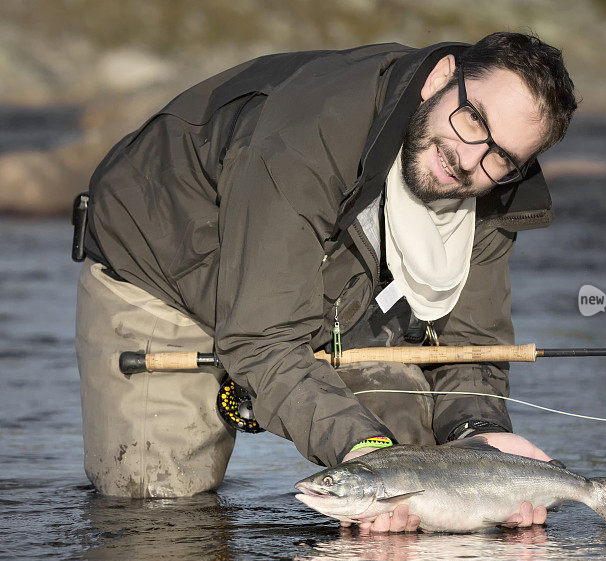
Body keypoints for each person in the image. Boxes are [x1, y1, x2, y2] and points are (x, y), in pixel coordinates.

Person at [74, 31, 577, 532]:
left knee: (427, 482)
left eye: (502, 157)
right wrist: (367, 455)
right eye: (473, 121)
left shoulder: (493, 189)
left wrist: (479, 438)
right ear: (441, 79)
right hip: (165, 274)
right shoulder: (306, 132)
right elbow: (262, 340)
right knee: (156, 515)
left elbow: (473, 344)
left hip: (335, 301)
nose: (469, 160)